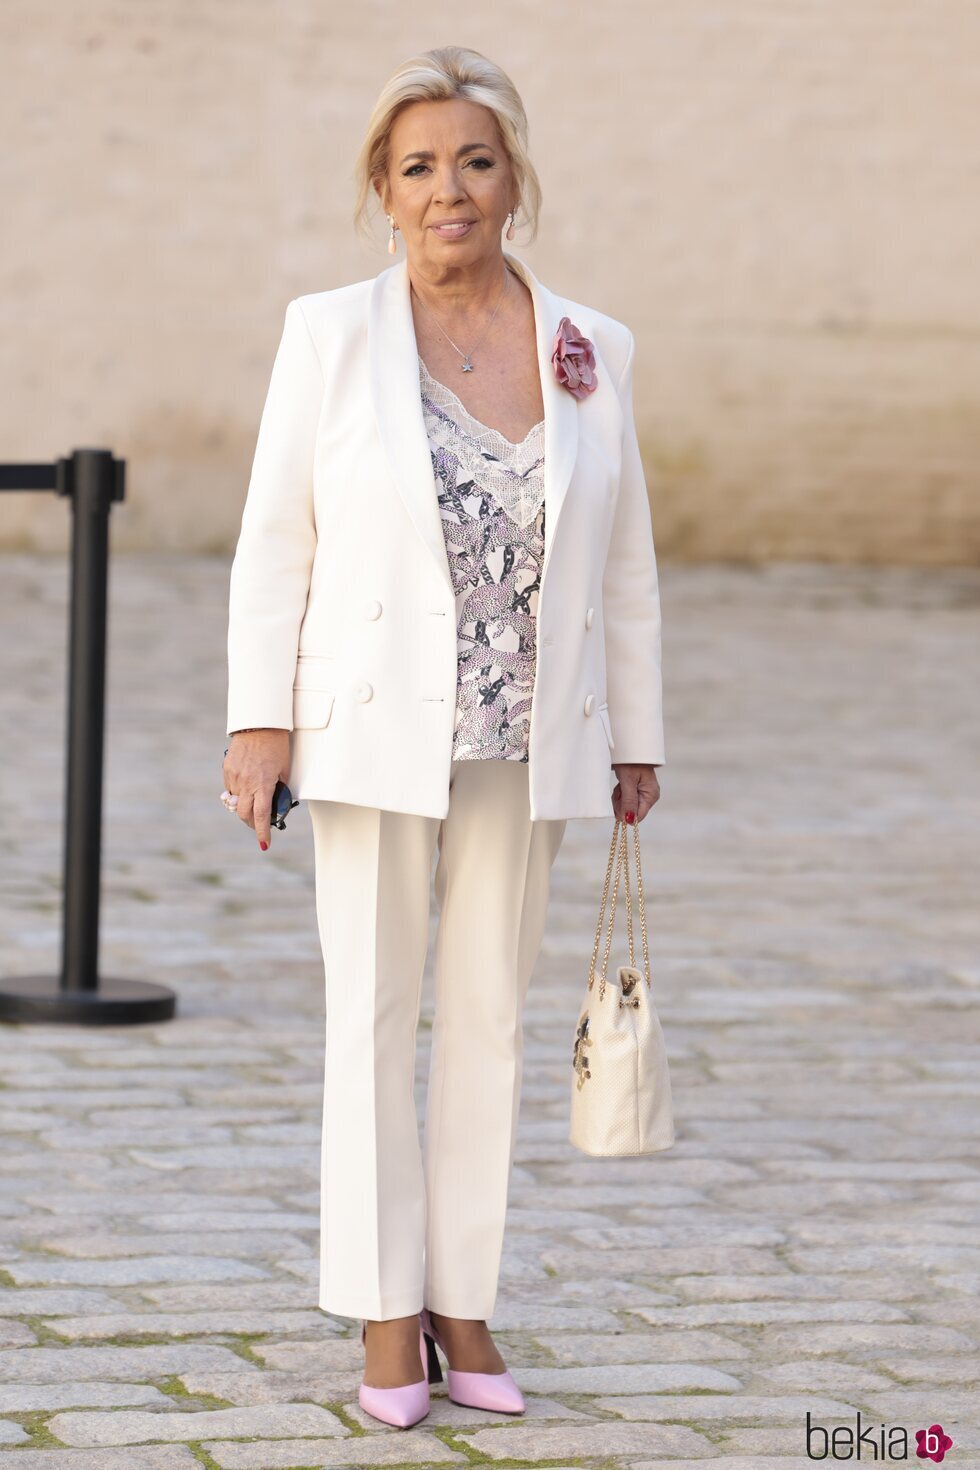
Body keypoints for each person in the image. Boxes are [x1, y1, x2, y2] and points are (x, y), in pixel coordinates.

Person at [221, 43, 665, 1430]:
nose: (449, 189)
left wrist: (632, 737)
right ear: (383, 187)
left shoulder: (591, 346)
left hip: (530, 738)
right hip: (365, 734)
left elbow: (631, 561)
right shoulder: (327, 334)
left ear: (513, 177)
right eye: (420, 166)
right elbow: (274, 539)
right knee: (369, 1014)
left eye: (474, 160)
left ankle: (462, 1298)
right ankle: (381, 1312)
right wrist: (258, 718)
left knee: (486, 1021)